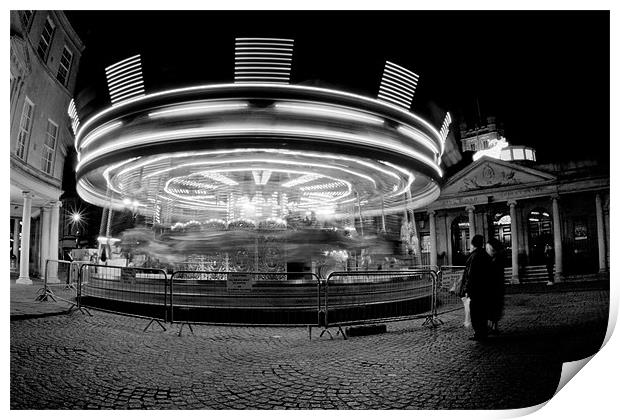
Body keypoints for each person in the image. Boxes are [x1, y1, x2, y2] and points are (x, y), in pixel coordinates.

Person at [460, 234, 492, 340]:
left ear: (473, 244)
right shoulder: (486, 255)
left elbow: (470, 274)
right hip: (484, 288)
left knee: (476, 312)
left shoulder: (474, 256)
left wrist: (466, 289)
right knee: (482, 311)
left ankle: (479, 333)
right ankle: (482, 332)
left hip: (476, 289)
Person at [486, 238, 505, 335]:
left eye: (488, 249)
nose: (487, 250)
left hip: (495, 288)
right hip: (494, 288)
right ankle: (493, 326)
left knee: (495, 307)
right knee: (492, 308)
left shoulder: (497, 260)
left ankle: (494, 326)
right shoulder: (491, 259)